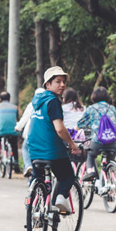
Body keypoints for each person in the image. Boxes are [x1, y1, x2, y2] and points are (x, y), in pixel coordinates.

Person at [24, 66, 82, 214]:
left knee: (39, 179)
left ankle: (33, 207)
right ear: (48, 84)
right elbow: (60, 129)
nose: (62, 85)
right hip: (51, 151)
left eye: (63, 82)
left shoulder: (37, 101)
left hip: (34, 150)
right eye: (58, 81)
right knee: (67, 176)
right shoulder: (53, 101)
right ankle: (60, 199)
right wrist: (72, 144)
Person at [76, 86, 116, 180]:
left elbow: (80, 123)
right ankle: (111, 180)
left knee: (90, 155)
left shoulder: (91, 109)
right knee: (110, 161)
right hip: (113, 141)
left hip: (97, 141)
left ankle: (91, 171)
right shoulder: (112, 108)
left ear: (94, 96)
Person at [0, 91, 21, 173]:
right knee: (14, 144)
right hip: (13, 131)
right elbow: (18, 119)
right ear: (9, 99)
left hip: (1, 131)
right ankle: (16, 161)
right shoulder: (15, 107)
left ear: (0, 99)